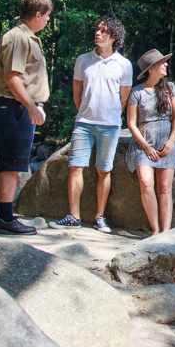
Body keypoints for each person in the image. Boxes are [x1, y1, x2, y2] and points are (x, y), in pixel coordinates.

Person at [48, 17, 133, 233]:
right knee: (75, 167)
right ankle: (73, 216)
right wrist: (85, 112)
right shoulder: (83, 60)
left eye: (103, 31)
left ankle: (99, 217)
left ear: (114, 37)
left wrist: (110, 115)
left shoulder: (124, 65)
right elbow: (77, 93)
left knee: (104, 170)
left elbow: (124, 98)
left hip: (110, 125)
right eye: (97, 29)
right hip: (84, 123)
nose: (97, 33)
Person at [0, 0, 52, 235]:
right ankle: (5, 218)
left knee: (5, 163)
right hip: (14, 107)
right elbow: (12, 78)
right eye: (46, 16)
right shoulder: (18, 38)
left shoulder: (28, 37)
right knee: (11, 165)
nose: (47, 20)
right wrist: (31, 106)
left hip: (17, 106)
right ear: (37, 14)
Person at [124, 49, 175, 235]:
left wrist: (171, 141)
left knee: (165, 187)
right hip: (144, 143)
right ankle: (155, 230)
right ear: (151, 69)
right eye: (161, 63)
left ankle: (165, 231)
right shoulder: (137, 92)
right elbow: (131, 124)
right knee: (146, 183)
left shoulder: (170, 88)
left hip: (166, 141)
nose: (165, 65)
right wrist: (146, 146)